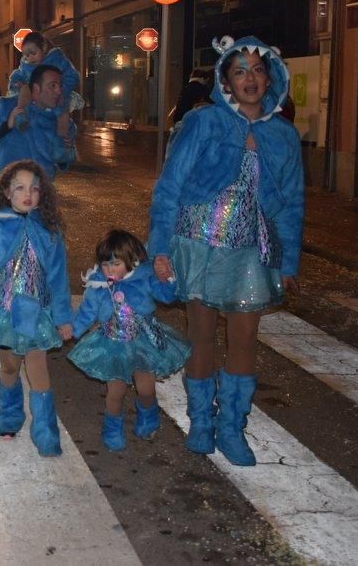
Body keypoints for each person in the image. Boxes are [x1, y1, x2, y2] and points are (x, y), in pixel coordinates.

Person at [149, 36, 303, 467]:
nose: (249, 79)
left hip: (252, 252)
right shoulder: (203, 123)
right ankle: (201, 421)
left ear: (270, 77)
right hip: (200, 245)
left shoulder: (283, 135)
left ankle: (233, 427)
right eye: (239, 71)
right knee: (201, 336)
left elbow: (291, 202)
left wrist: (288, 260)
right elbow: (169, 188)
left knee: (245, 339)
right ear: (225, 81)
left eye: (257, 70)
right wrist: (159, 248)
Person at [0, 159, 71, 456]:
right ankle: (9, 415)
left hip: (36, 313)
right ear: (7, 193)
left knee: (38, 367)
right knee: (9, 366)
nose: (27, 193)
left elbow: (58, 278)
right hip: (4, 312)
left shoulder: (49, 232)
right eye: (19, 187)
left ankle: (45, 431)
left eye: (34, 188)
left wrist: (62, 317)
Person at [68, 229, 191, 451]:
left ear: (132, 261)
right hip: (111, 344)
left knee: (146, 389)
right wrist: (71, 330)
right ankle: (112, 428)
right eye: (105, 265)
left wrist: (168, 278)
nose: (109, 270)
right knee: (115, 391)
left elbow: (167, 295)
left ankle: (147, 416)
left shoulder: (144, 279)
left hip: (143, 343)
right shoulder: (99, 287)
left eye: (115, 264)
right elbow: (87, 313)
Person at [0, 65, 76, 192]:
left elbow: (61, 160)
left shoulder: (61, 120)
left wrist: (64, 144)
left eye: (60, 86)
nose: (59, 91)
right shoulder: (8, 107)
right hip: (3, 195)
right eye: (53, 86)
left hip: (37, 197)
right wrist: (7, 125)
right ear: (36, 88)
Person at [10, 32, 80, 153]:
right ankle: (22, 118)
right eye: (26, 55)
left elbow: (72, 76)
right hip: (35, 99)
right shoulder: (25, 66)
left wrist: (61, 90)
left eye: (33, 53)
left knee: (62, 117)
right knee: (25, 89)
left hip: (56, 97)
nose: (30, 57)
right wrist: (17, 83)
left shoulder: (57, 60)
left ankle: (62, 149)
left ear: (43, 47)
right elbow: (18, 75)